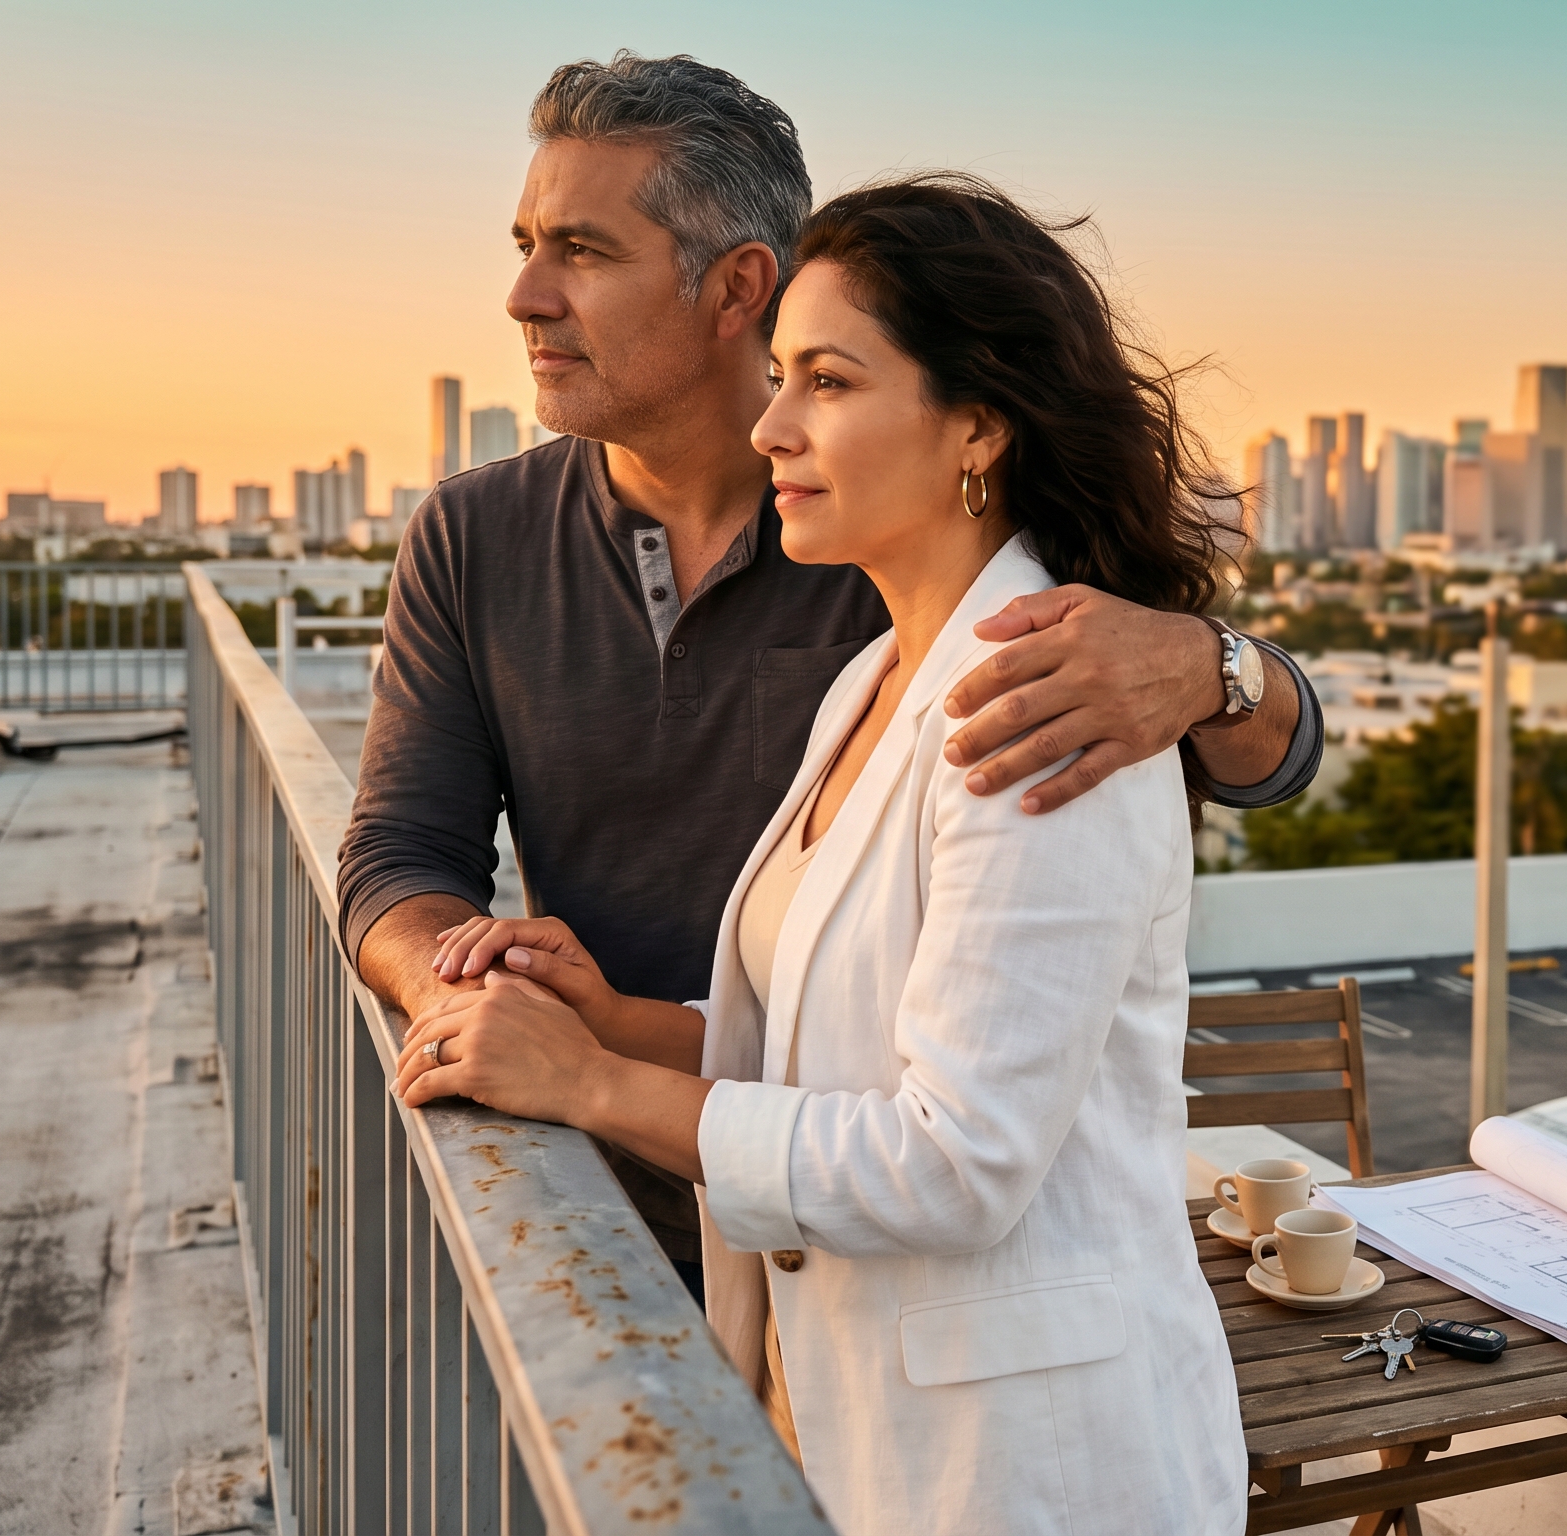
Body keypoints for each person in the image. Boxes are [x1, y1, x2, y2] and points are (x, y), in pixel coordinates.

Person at [336, 54, 1320, 1283]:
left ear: (738, 285)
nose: (524, 295)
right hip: (596, 1197)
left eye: (581, 250)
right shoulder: (473, 537)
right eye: (526, 242)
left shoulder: (909, 549)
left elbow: (1253, 765)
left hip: (864, 1247)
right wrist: (480, 1007)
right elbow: (396, 858)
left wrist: (1214, 663)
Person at [395, 174, 1248, 1533]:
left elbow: (956, 1159)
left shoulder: (1044, 703)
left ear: (978, 423)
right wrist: (619, 1018)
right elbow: (840, 1042)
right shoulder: (875, 681)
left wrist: (598, 1083)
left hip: (1027, 1472)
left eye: (830, 383)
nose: (773, 422)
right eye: (780, 375)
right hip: (850, 1425)